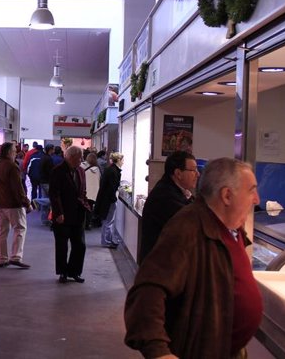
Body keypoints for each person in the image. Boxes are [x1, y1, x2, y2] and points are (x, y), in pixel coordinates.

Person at [124, 158, 262, 359]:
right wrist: (159, 351)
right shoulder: (187, 228)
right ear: (227, 195)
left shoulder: (230, 228)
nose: (257, 199)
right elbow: (146, 292)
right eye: (251, 190)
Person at [139, 150, 199, 263]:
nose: (197, 174)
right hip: (159, 269)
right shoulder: (165, 196)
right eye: (193, 170)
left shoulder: (177, 191)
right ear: (178, 173)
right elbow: (192, 223)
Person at [48, 146, 90, 283]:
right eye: (79, 158)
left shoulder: (81, 171)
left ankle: (74, 271)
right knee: (62, 245)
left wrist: (85, 202)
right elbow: (54, 194)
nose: (81, 160)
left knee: (80, 244)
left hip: (78, 213)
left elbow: (83, 189)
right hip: (63, 214)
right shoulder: (58, 171)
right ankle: (63, 272)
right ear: (70, 157)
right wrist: (59, 213)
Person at [0, 142, 32, 268]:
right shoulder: (12, 166)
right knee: (19, 229)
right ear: (9, 152)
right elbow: (18, 188)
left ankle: (1, 258)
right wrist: (26, 203)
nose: (15, 152)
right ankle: (16, 257)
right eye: (14, 150)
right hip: (13, 205)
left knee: (1, 232)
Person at [93, 152, 124, 248]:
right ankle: (106, 241)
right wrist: (114, 199)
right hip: (109, 200)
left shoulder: (110, 169)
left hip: (106, 199)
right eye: (122, 160)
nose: (123, 162)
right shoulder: (114, 171)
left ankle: (107, 240)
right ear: (118, 160)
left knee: (107, 221)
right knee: (108, 221)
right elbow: (111, 187)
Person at [81, 152, 101, 229]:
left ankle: (82, 223)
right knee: (90, 208)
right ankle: (88, 224)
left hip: (84, 191)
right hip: (93, 193)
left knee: (83, 208)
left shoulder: (82, 166)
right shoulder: (97, 169)